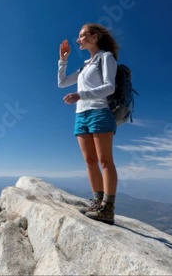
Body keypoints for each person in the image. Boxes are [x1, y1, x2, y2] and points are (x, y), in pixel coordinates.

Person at [57, 23, 119, 225]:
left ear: (95, 36)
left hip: (99, 112)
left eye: (82, 36)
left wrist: (80, 94)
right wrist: (63, 60)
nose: (78, 40)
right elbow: (62, 82)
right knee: (90, 161)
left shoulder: (106, 57)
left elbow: (109, 87)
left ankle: (108, 208)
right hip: (81, 114)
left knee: (104, 161)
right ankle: (97, 202)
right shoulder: (85, 64)